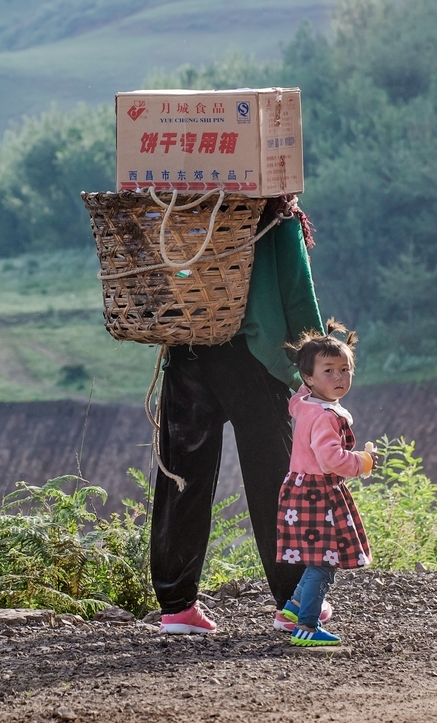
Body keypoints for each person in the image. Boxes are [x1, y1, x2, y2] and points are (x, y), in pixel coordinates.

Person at [151, 196, 330, 635]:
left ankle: (176, 608)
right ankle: (292, 603)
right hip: (256, 360)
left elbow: (169, 280)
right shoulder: (276, 217)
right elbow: (297, 295)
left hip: (189, 354)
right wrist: (317, 368)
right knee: (275, 481)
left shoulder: (182, 212)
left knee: (182, 478)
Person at [275, 321, 375, 646]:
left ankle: (292, 607)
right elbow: (331, 458)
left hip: (300, 491)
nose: (339, 378)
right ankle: (306, 626)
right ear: (308, 378)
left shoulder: (304, 404)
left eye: (345, 369)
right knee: (325, 562)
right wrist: (361, 462)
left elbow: (303, 395)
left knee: (317, 557)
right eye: (329, 371)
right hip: (318, 494)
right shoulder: (325, 417)